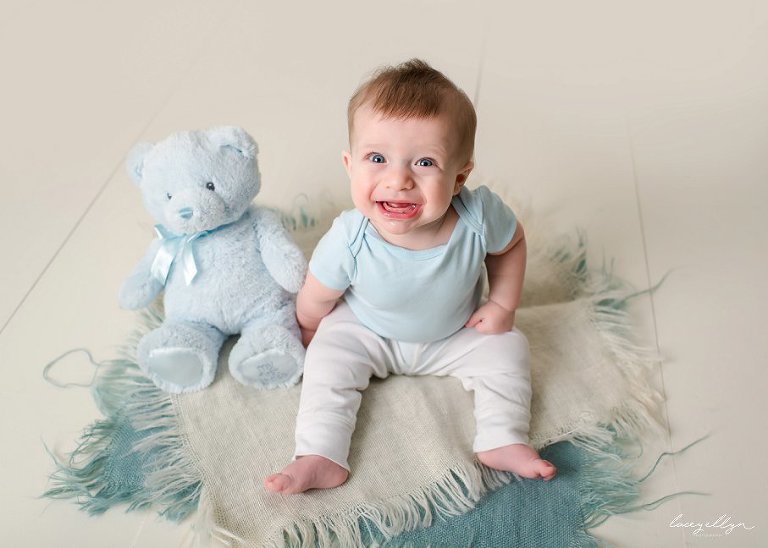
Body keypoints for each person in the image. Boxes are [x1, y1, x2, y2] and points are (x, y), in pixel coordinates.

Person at [265, 59, 556, 494]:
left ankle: (503, 438)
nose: (398, 179)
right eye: (376, 158)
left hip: (455, 332)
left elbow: (511, 244)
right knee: (327, 360)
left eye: (424, 162)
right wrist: (308, 330)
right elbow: (317, 294)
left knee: (508, 348)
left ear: (458, 177)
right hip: (368, 330)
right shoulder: (349, 238)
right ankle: (319, 454)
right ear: (350, 164)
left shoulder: (477, 216)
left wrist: (502, 303)